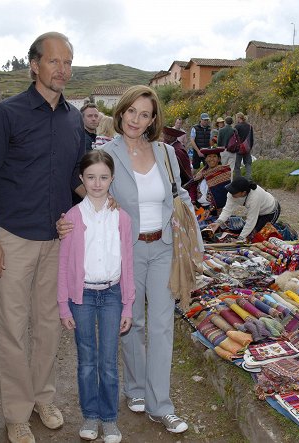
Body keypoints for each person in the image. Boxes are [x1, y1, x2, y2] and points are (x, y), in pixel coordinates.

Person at [0, 31, 85, 443]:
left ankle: (44, 397)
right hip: (12, 237)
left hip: (57, 239)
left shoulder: (75, 118)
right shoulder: (6, 114)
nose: (63, 70)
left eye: (68, 62)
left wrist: (103, 204)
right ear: (34, 65)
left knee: (49, 325)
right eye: (55, 61)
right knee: (13, 329)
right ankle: (17, 412)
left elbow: (75, 176)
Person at [101, 85, 197, 434]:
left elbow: (178, 192)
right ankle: (136, 389)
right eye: (131, 111)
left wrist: (193, 232)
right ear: (121, 111)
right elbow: (91, 187)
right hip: (127, 249)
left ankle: (162, 404)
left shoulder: (165, 152)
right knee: (132, 322)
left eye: (145, 114)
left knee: (161, 325)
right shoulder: (107, 153)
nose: (136, 120)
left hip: (163, 248)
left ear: (153, 119)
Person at [57, 150, 134, 443]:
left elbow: (127, 262)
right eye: (91, 177)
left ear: (111, 179)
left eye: (103, 177)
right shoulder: (73, 217)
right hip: (83, 298)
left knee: (108, 362)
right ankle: (90, 414)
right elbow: (64, 264)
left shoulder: (121, 217)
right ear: (82, 179)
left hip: (113, 294)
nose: (97, 183)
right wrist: (63, 305)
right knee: (87, 360)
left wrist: (127, 304)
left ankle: (110, 418)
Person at [207, 176, 280, 242]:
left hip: (270, 210)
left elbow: (251, 220)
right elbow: (227, 209)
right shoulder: (232, 193)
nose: (231, 193)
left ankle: (279, 230)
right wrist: (218, 223)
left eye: (234, 192)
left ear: (243, 192)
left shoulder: (254, 197)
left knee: (257, 235)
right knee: (249, 232)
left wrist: (240, 238)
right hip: (258, 211)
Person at [184, 147, 231, 216]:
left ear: (219, 159)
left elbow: (222, 195)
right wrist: (193, 203)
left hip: (216, 210)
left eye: (214, 156)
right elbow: (192, 187)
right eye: (209, 156)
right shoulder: (201, 173)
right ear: (205, 159)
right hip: (198, 208)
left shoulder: (223, 173)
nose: (211, 159)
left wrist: (210, 208)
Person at [234, 112, 254, 179]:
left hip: (239, 148)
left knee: (237, 165)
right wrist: (250, 147)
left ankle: (238, 179)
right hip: (247, 148)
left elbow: (234, 138)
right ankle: (248, 178)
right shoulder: (249, 126)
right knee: (248, 164)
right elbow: (251, 138)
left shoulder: (237, 127)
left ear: (239, 118)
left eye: (236, 118)